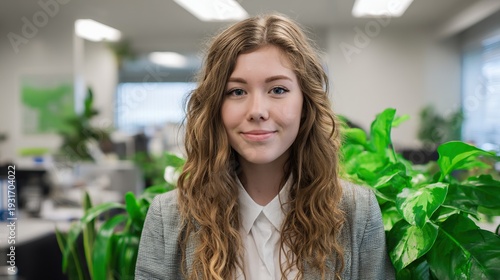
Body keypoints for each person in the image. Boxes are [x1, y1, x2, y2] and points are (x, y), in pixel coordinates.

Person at [135, 13, 395, 280]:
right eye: (237, 91)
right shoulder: (168, 217)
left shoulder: (357, 212)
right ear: (215, 107)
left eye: (278, 90)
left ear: (306, 103)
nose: (257, 111)